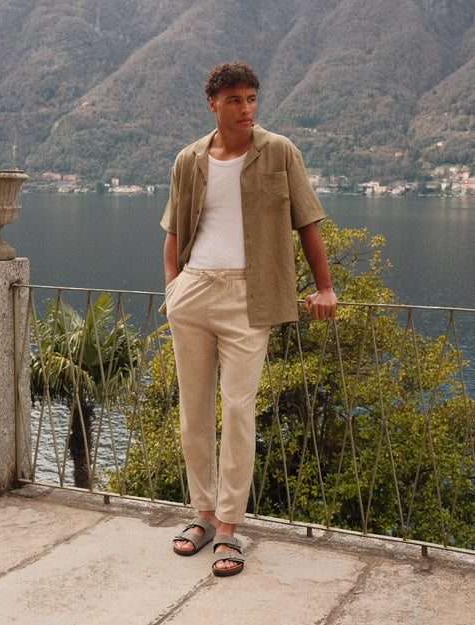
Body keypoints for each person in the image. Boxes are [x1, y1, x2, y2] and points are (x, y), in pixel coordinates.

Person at [160, 60, 337, 577]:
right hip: (194, 292)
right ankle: (203, 514)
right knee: (194, 409)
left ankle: (229, 526)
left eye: (251, 98)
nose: (246, 108)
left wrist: (325, 287)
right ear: (212, 104)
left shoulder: (279, 151)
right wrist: (173, 287)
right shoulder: (189, 159)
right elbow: (173, 230)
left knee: (238, 409)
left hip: (249, 296)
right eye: (235, 99)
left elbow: (307, 222)